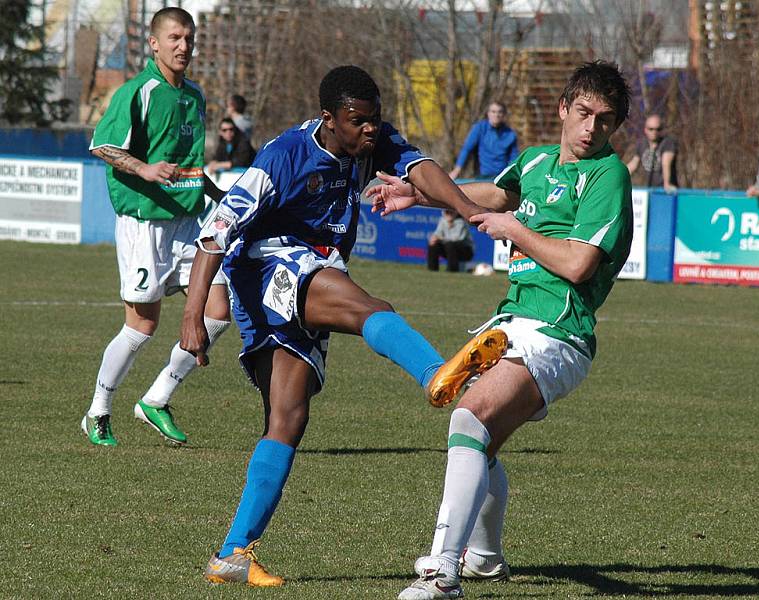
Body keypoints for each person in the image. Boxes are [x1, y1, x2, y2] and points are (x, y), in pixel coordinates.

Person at [179, 65, 505, 587]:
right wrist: (193, 314)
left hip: (311, 268)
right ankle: (435, 374)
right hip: (269, 266)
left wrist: (465, 208)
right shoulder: (284, 157)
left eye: (375, 120)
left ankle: (233, 553)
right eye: (359, 121)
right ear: (329, 119)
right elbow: (217, 234)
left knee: (288, 416)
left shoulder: (369, 141)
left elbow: (421, 169)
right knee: (367, 306)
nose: (371, 130)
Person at [368, 60, 633, 600]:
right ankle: (484, 558)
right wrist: (417, 196)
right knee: (480, 443)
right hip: (512, 321)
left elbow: (580, 264)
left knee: (468, 417)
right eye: (583, 113)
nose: (591, 128)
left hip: (559, 330)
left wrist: (516, 231)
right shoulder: (535, 160)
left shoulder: (608, 175)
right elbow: (494, 194)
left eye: (604, 121)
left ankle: (443, 573)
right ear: (563, 109)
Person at [83, 7, 230, 447]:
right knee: (141, 327)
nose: (183, 46)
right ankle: (98, 410)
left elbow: (189, 166)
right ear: (154, 43)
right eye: (174, 38)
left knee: (218, 310)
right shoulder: (138, 91)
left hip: (188, 223)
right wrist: (144, 170)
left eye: (189, 38)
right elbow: (103, 145)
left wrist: (222, 199)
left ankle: (157, 398)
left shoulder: (195, 96)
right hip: (144, 224)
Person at [449, 102, 518, 180]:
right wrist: (456, 170)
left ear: (504, 114)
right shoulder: (480, 128)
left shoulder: (510, 134)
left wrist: (513, 175)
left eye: (500, 112)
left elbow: (514, 158)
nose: (496, 115)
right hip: (483, 176)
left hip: (501, 177)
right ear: (488, 113)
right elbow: (467, 149)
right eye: (493, 112)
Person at [626, 113, 678, 193]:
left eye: (658, 129)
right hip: (649, 190)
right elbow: (633, 164)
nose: (654, 132)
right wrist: (619, 176)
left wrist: (667, 184)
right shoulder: (641, 144)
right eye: (651, 129)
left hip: (665, 191)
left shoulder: (667, 143)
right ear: (645, 130)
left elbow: (666, 164)